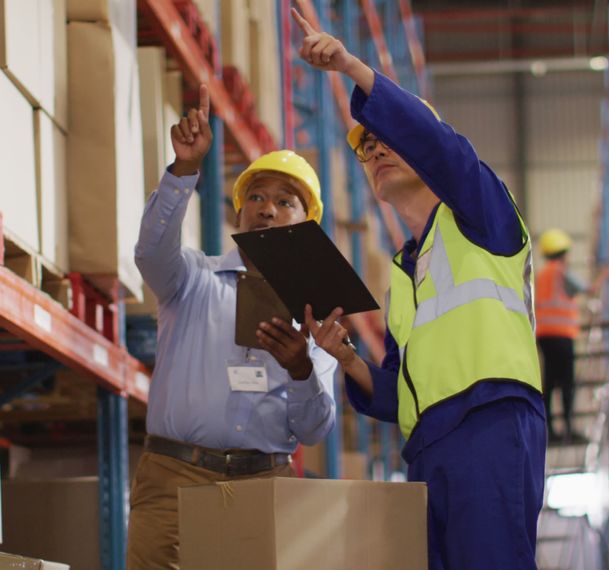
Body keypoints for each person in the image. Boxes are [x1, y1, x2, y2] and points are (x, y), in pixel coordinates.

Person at [292, 9, 546, 569]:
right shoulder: (403, 277)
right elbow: (396, 393)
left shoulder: (482, 217)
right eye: (367, 147)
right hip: (428, 446)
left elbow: (446, 150)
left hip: (491, 423)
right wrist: (347, 359)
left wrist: (352, 68)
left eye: (388, 140)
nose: (375, 151)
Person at [128, 85, 339, 570]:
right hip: (173, 481)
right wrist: (184, 170)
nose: (267, 208)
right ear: (239, 213)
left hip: (264, 485)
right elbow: (149, 252)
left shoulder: (316, 320)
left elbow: (313, 431)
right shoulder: (190, 280)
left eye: (286, 201)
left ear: (308, 223)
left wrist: (301, 369)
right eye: (257, 198)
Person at [535, 228, 586, 444]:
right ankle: (567, 428)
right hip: (562, 335)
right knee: (567, 383)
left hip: (544, 335)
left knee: (550, 382)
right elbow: (585, 288)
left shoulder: (542, 274)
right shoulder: (561, 272)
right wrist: (605, 275)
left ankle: (549, 430)